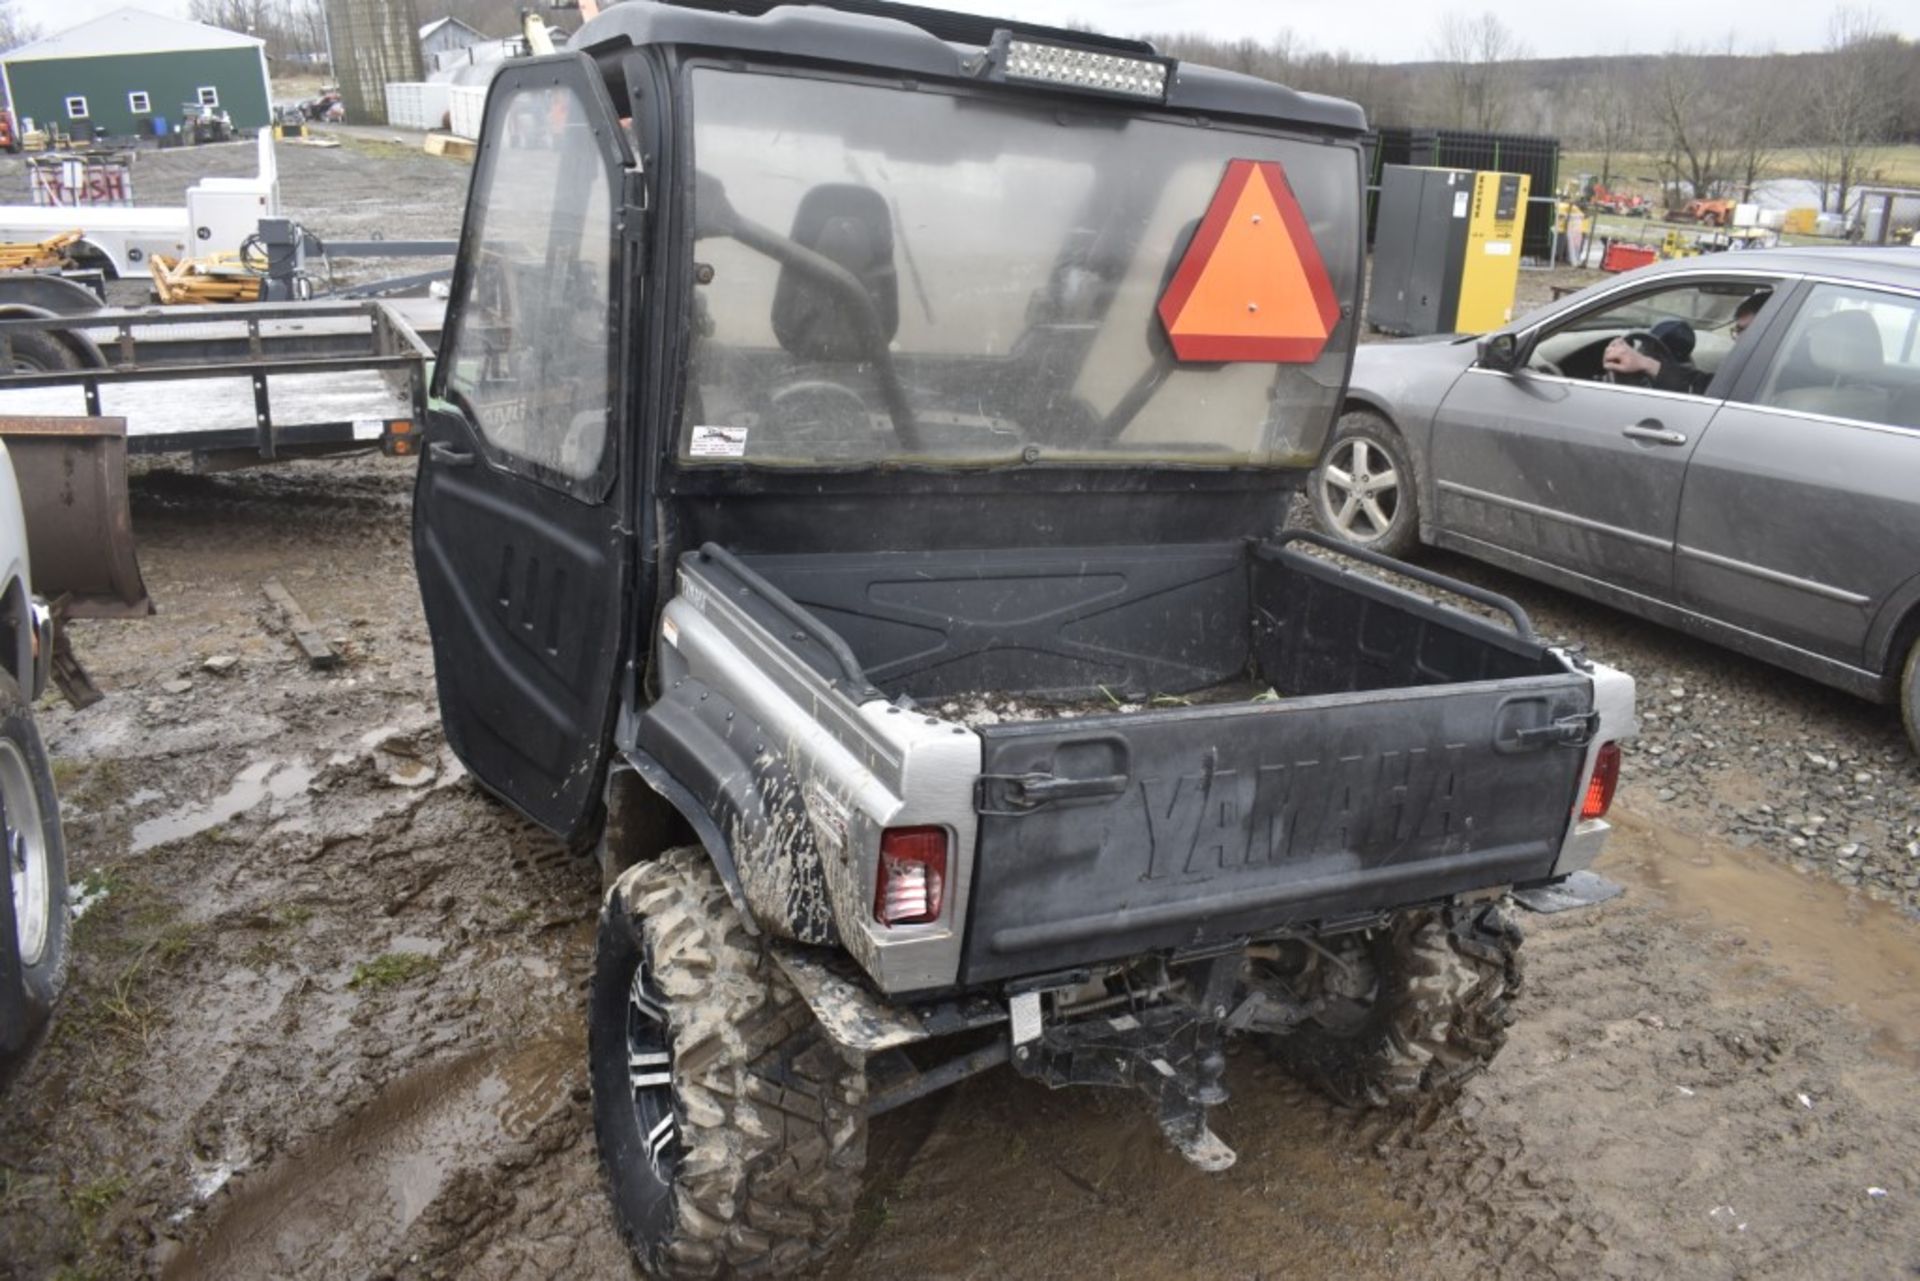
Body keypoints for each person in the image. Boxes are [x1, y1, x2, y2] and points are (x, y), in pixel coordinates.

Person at [1602, 317, 1705, 393]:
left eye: (1647, 347)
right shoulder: (1689, 369)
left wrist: (1644, 363)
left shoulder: (1696, 387)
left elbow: (1695, 386)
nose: (1640, 350)